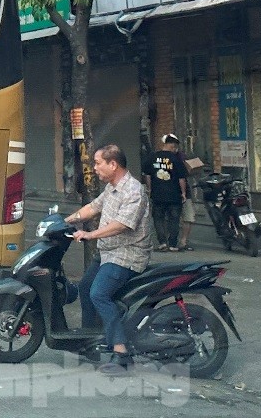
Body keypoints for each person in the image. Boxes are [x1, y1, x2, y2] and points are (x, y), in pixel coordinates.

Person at [64, 144, 152, 376]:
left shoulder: (134, 190)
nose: (94, 168)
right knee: (84, 288)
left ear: (113, 164)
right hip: (107, 253)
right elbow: (93, 208)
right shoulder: (112, 188)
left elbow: (122, 225)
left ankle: (121, 353)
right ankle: (90, 343)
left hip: (127, 254)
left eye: (97, 163)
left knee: (99, 294)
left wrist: (90, 235)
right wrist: (65, 221)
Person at [142, 133, 188, 252]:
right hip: (174, 195)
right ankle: (172, 244)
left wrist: (150, 188)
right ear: (172, 146)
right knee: (174, 219)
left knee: (158, 218)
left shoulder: (153, 157)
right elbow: (181, 178)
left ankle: (162, 243)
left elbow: (147, 175)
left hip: (157, 193)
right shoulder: (176, 159)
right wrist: (183, 193)